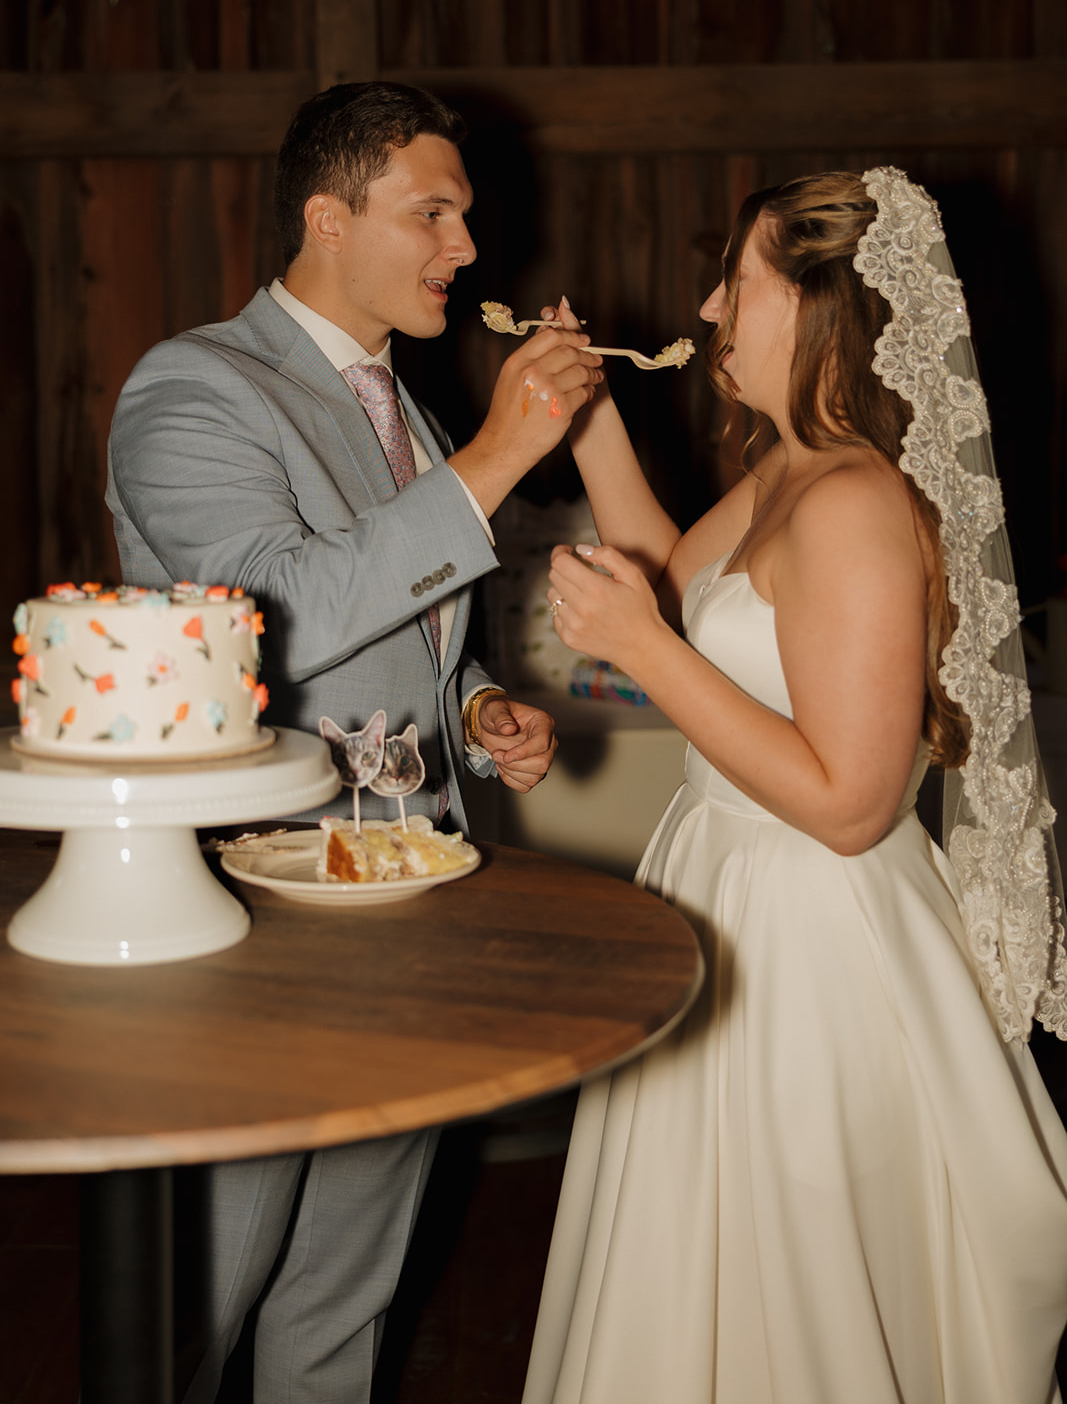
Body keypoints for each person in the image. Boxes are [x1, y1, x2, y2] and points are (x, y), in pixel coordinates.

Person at [521, 168, 1067, 1404]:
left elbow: (848, 804)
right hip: (720, 883)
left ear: (824, 307)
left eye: (741, 281)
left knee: (791, 1290)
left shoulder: (858, 502)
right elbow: (673, 574)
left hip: (810, 940)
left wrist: (640, 650)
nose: (710, 305)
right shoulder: (788, 469)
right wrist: (590, 415)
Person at [105, 80, 602, 1403]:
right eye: (429, 214)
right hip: (256, 917)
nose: (465, 250)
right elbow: (263, 621)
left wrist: (479, 701)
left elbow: (410, 623)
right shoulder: (195, 385)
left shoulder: (410, 411)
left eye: (466, 217)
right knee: (198, 1303)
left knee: (345, 1295)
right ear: (328, 217)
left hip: (416, 902)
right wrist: (496, 458)